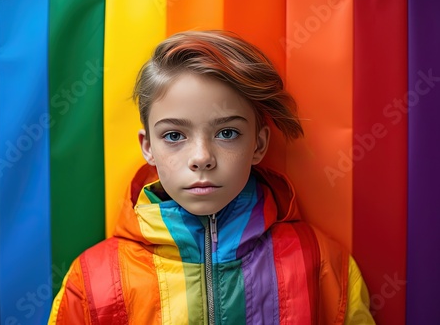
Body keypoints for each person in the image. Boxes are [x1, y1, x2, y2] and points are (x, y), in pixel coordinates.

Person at [48, 30, 374, 324]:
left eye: (227, 132)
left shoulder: (321, 264)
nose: (202, 157)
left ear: (258, 144)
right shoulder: (92, 280)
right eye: (174, 136)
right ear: (148, 147)